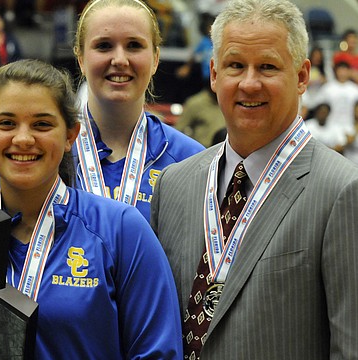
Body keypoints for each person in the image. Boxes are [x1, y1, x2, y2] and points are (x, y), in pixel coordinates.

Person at [150, 0, 358, 358]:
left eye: (267, 67)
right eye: (235, 66)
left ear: (303, 76)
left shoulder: (342, 191)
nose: (249, 83)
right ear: (214, 74)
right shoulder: (172, 185)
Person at [0, 59, 182, 359]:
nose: (23, 139)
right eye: (6, 123)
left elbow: (158, 353)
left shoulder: (120, 229)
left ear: (71, 135)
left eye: (42, 124)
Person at [72, 0, 204, 222]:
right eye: (104, 45)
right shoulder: (49, 151)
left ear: (155, 59)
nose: (120, 60)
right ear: (81, 59)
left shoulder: (191, 160)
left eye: (134, 45)